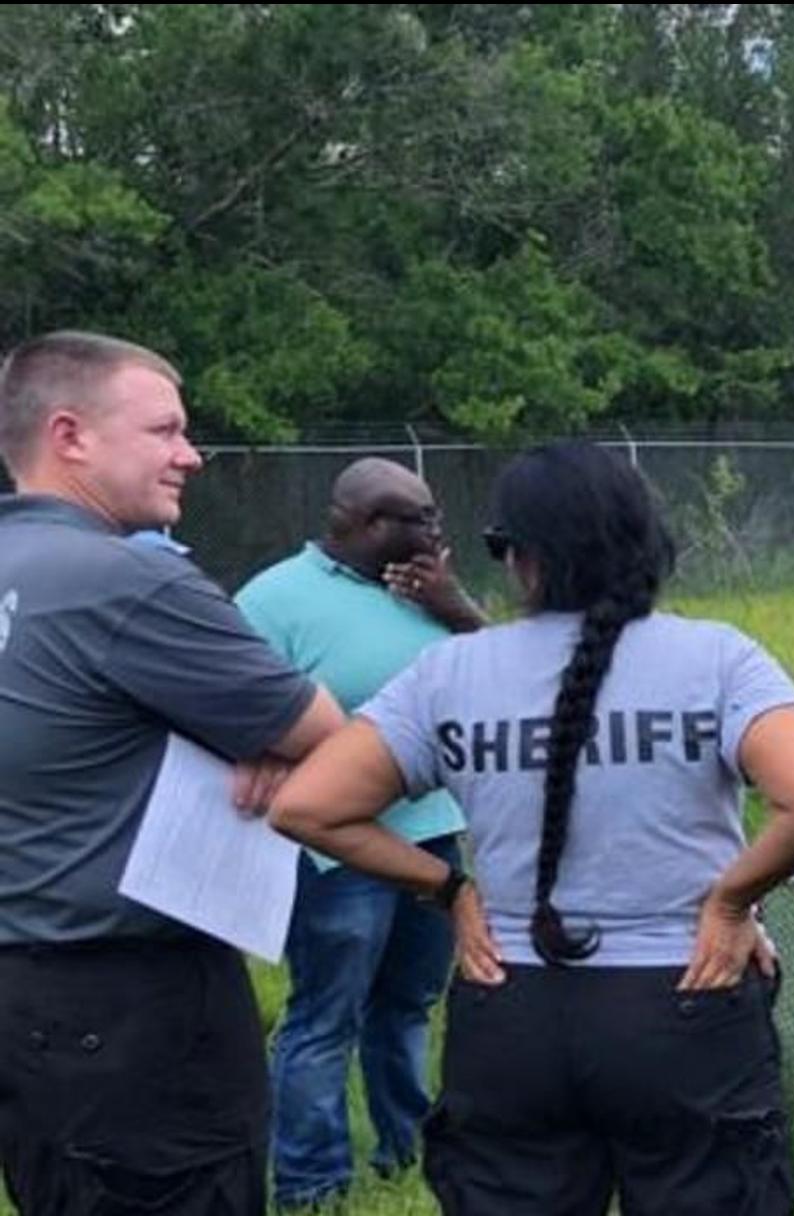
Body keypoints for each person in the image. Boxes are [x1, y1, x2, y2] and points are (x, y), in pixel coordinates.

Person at [269, 441, 794, 1214]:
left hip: (509, 1003)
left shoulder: (451, 673)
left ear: (521, 560)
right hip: (686, 995)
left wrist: (448, 888)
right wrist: (729, 902)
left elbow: (305, 806)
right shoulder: (717, 658)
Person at [0, 330, 343, 1215]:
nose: (189, 454)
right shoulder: (125, 583)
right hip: (136, 1007)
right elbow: (330, 735)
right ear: (69, 435)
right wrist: (255, 737)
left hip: (24, 1003)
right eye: (164, 431)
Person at [237, 457, 487, 1209]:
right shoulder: (272, 601)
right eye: (421, 518)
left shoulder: (429, 591)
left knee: (409, 1004)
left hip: (434, 834)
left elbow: (512, 673)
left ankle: (405, 1148)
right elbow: (237, 712)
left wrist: (457, 604)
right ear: (367, 523)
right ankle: (313, 1182)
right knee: (325, 1013)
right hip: (333, 849)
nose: (437, 532)